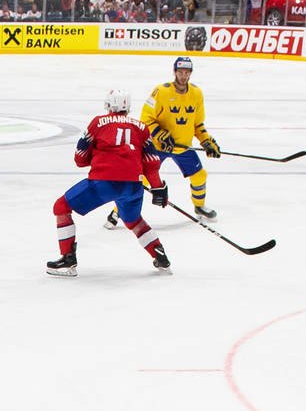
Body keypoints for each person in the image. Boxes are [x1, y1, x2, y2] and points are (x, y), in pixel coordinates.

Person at [51, 89, 170, 276]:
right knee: (133, 220)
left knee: (61, 207)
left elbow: (80, 158)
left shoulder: (98, 123)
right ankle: (160, 256)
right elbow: (151, 163)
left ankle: (67, 260)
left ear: (107, 105)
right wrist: (158, 187)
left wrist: (101, 160)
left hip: (104, 183)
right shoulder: (141, 127)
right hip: (133, 186)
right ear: (128, 107)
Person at [110, 55, 220, 226]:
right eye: (180, 72)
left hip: (183, 147)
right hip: (158, 146)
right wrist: (160, 134)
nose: (183, 75)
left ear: (191, 73)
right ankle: (117, 211)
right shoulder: (161, 91)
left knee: (199, 176)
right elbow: (146, 118)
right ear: (174, 72)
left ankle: (199, 206)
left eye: (187, 72)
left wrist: (206, 141)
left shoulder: (197, 93)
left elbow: (198, 124)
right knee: (140, 179)